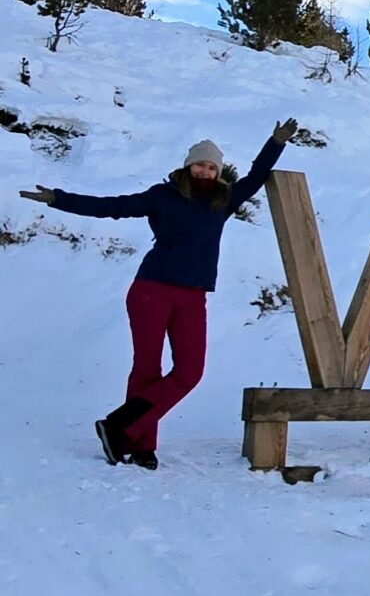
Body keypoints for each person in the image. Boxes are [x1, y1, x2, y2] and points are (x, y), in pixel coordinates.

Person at [20, 119, 296, 468]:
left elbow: (255, 177)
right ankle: (140, 445)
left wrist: (275, 142)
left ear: (218, 170)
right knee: (147, 368)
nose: (206, 171)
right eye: (200, 164)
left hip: (193, 296)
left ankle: (120, 427)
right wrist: (59, 199)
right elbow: (113, 207)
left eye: (212, 166)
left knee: (189, 372)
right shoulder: (163, 197)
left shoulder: (222, 201)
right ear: (187, 165)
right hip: (152, 290)